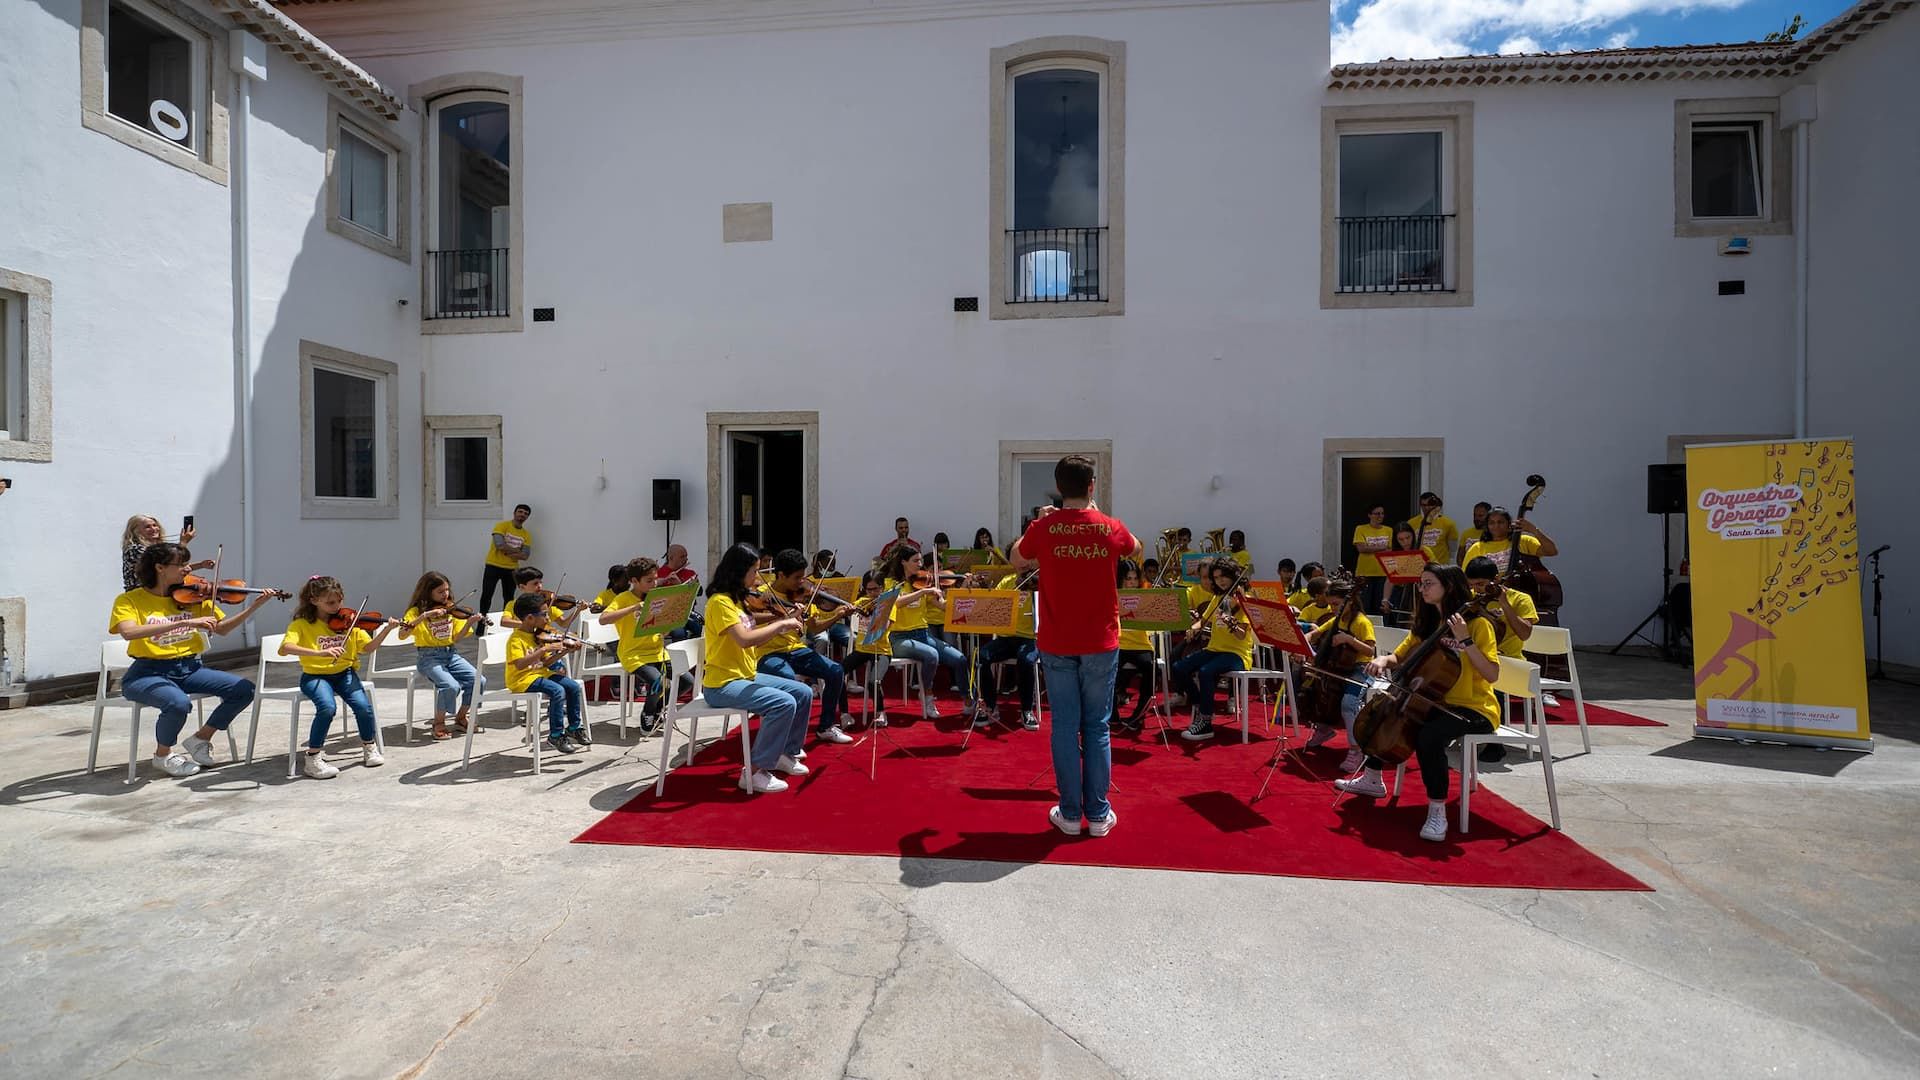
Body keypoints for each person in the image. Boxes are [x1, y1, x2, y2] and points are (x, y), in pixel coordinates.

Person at [1010, 454, 1139, 838]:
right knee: (1097, 727)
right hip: (1100, 641)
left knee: (1064, 727)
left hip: (1057, 640)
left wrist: (1042, 518)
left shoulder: (1045, 526)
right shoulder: (1108, 526)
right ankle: (1098, 815)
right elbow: (1135, 548)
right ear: (1091, 486)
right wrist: (1098, 515)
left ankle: (1069, 814)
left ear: (1058, 487)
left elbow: (1016, 557)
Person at [1335, 564, 1501, 843]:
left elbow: (1492, 674)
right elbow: (1398, 657)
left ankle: (1437, 810)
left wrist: (1466, 641)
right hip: (1433, 700)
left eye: (1428, 584)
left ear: (1448, 586)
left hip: (1473, 707)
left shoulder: (1477, 624)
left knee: (1428, 736)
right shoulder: (1427, 623)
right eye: (1421, 584)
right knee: (1387, 713)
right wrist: (1381, 660)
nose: (1421, 589)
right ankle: (1373, 779)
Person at [108, 543, 272, 777]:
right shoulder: (130, 600)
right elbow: (129, 632)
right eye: (181, 564)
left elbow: (222, 629)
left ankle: (200, 739)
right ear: (160, 568)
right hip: (146, 673)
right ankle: (162, 755)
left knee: (243, 690)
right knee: (177, 703)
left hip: (189, 668)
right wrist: (184, 623)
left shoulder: (193, 596)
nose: (188, 569)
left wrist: (252, 608)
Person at [700, 543, 814, 794]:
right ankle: (753, 772)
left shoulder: (737, 601)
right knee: (783, 703)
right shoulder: (720, 603)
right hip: (722, 684)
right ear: (738, 571)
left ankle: (786, 752)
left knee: (803, 693)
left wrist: (781, 618)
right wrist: (782, 625)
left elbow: (751, 624)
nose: (757, 578)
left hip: (745, 675)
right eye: (754, 571)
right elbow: (744, 638)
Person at [281, 576, 401, 778]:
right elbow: (285, 648)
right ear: (313, 600)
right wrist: (320, 653)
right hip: (315, 675)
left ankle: (369, 746)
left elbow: (369, 648)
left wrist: (386, 630)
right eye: (330, 603)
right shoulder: (301, 624)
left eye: (339, 601)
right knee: (327, 708)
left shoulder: (350, 622)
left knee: (363, 707)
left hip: (344, 673)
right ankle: (313, 758)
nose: (337, 607)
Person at [757, 549, 856, 744]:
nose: (801, 582)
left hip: (794, 649)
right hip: (766, 653)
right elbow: (752, 627)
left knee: (836, 670)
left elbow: (815, 626)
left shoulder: (801, 596)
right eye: (796, 578)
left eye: (803, 577)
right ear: (781, 575)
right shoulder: (761, 596)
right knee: (788, 678)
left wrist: (837, 615)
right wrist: (783, 617)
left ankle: (826, 726)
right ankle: (786, 737)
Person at [1171, 559, 1255, 741]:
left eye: (1224, 576)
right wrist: (1193, 628)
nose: (1220, 581)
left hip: (1237, 653)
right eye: (1216, 577)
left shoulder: (1244, 599)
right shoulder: (1218, 598)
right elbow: (1204, 619)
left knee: (1205, 671)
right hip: (1215, 649)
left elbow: (1241, 636)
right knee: (1179, 667)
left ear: (1233, 575)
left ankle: (1206, 722)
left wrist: (1231, 623)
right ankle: (1200, 703)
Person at [1300, 578, 1377, 773]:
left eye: (1336, 604)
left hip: (1361, 668)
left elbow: (1370, 651)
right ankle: (1324, 729)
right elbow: (1316, 634)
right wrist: (1306, 640)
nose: (1333, 608)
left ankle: (1355, 750)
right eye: (1331, 604)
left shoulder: (1361, 622)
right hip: (1339, 667)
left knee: (1348, 703)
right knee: (1318, 690)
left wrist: (1349, 640)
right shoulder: (1337, 619)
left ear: (1349, 601)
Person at [882, 547, 967, 719]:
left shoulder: (923, 582)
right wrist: (923, 592)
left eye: (920, 561)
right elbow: (895, 603)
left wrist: (963, 585)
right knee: (932, 655)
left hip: (923, 634)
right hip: (899, 638)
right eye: (915, 561)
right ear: (903, 562)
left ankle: (969, 701)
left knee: (960, 659)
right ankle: (927, 695)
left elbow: (943, 606)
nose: (920, 564)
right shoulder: (891, 583)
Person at [401, 572, 488, 740]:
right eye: (440, 591)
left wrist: (470, 623)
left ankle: (461, 717)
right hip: (428, 657)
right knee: (451, 686)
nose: (445, 594)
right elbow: (402, 634)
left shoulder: (451, 609)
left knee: (479, 680)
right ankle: (438, 722)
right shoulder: (416, 611)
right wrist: (424, 616)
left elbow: (456, 637)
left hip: (451, 654)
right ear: (428, 592)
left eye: (447, 590)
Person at [598, 557, 675, 736]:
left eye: (655, 579)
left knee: (685, 681)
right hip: (634, 654)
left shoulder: (655, 597)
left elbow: (661, 630)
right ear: (634, 581)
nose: (654, 583)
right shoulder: (624, 598)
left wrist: (669, 621)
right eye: (649, 581)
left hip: (657, 651)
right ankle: (647, 713)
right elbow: (603, 619)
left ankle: (657, 710)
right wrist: (634, 608)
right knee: (658, 681)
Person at [505, 595, 591, 754]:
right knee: (557, 691)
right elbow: (520, 665)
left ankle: (574, 727)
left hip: (541, 673)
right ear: (530, 618)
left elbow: (546, 664)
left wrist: (564, 651)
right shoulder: (516, 639)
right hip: (522, 679)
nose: (548, 618)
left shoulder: (537, 635)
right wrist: (543, 650)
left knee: (572, 686)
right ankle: (556, 735)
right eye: (544, 614)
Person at [972, 568, 1040, 731]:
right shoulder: (1007, 581)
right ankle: (990, 705)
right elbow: (993, 602)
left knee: (1026, 660)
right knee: (981, 656)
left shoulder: (1039, 580)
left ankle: (1027, 709)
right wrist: (983, 586)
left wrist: (1036, 586)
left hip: (1030, 638)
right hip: (1006, 637)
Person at [839, 571, 893, 727]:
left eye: (876, 589)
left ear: (883, 588)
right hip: (862, 649)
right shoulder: (862, 602)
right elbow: (847, 610)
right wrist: (848, 609)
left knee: (873, 681)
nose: (873, 594)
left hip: (881, 649)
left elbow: (886, 626)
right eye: (869, 590)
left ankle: (880, 712)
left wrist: (879, 611)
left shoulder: (889, 603)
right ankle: (844, 713)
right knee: (837, 673)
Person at [1110, 559, 1156, 731]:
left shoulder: (1146, 595)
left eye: (1135, 579)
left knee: (1150, 669)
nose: (1132, 583)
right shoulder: (1113, 595)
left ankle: (1138, 715)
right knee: (1108, 672)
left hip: (1141, 645)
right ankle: (1112, 714)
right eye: (1128, 579)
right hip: (1119, 644)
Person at [120, 514, 211, 590]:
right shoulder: (134, 549)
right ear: (136, 531)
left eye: (155, 525)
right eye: (147, 527)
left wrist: (201, 565)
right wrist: (183, 543)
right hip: (142, 594)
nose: (154, 529)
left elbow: (170, 567)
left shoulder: (156, 546)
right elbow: (166, 566)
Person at [1463, 506, 1561, 574]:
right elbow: (1465, 576)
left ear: (1509, 524)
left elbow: (1552, 551)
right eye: (1492, 523)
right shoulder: (1477, 547)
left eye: (1500, 522)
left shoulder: (1523, 541)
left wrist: (1533, 530)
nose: (1496, 526)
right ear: (1487, 526)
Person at [481, 504, 534, 613]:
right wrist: (517, 551)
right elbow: (499, 545)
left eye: (525, 514)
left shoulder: (526, 534)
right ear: (514, 513)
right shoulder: (502, 526)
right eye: (520, 512)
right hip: (493, 565)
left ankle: (505, 625)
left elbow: (525, 556)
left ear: (527, 517)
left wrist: (507, 550)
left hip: (511, 569)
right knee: (487, 595)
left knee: (509, 598)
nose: (522, 515)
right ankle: (481, 626)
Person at [1351, 505, 1393, 617]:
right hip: (1364, 573)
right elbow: (1361, 548)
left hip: (1383, 572)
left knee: (1379, 606)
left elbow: (1390, 550)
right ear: (1369, 515)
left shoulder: (1389, 530)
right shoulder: (1361, 529)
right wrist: (1382, 548)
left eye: (1382, 513)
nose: (1380, 516)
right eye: (1377, 513)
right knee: (1364, 605)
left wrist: (1371, 548)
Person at [658, 544, 704, 642]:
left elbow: (699, 592)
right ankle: (678, 656)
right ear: (671, 558)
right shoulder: (659, 574)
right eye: (682, 556)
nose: (686, 559)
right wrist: (661, 582)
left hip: (686, 613)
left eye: (686, 556)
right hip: (666, 615)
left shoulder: (690, 573)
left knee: (701, 628)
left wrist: (683, 585)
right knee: (679, 633)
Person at [1382, 521, 1423, 626]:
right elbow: (1390, 579)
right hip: (1399, 593)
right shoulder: (1394, 555)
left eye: (1408, 537)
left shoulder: (1424, 550)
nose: (1405, 542)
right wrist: (1385, 599)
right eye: (1401, 539)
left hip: (1419, 592)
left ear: (1413, 536)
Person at [1411, 492, 1459, 566]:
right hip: (1419, 566)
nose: (1426, 508)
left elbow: (1453, 550)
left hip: (1440, 567)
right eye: (1423, 505)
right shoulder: (1412, 523)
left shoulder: (1448, 523)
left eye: (1429, 505)